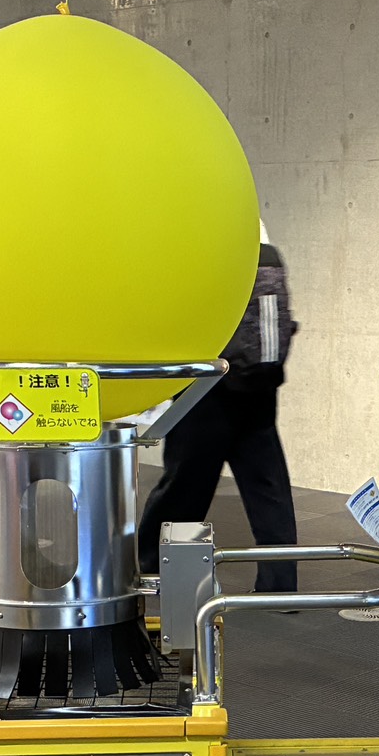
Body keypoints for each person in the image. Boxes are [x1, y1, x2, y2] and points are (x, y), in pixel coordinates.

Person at [137, 226, 300, 593]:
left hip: (209, 387)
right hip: (260, 386)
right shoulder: (266, 251)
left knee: (184, 485)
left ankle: (150, 568)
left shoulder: (204, 253)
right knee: (269, 490)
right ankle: (280, 585)